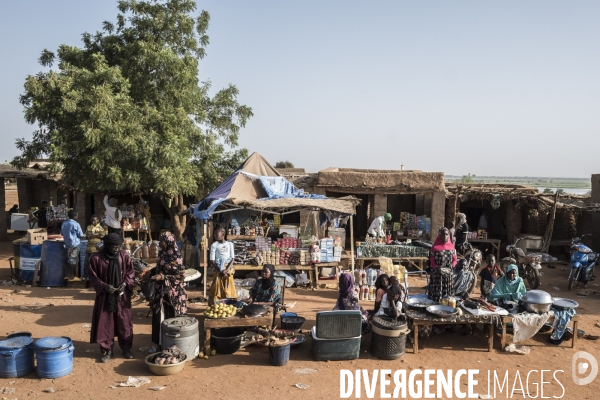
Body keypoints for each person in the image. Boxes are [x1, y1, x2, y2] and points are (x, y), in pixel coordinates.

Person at [88, 233, 135, 362]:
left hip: (122, 296)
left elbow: (131, 273)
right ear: (107, 245)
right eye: (113, 246)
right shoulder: (96, 258)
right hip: (105, 297)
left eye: (118, 246)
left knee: (124, 322)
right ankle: (107, 351)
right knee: (105, 323)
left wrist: (125, 284)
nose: (116, 248)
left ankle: (126, 348)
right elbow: (92, 277)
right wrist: (104, 286)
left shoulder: (124, 256)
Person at [149, 232, 187, 346]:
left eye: (162, 241)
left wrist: (163, 277)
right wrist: (150, 272)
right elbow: (160, 266)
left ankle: (172, 344)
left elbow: (181, 276)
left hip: (173, 294)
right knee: (158, 317)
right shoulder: (163, 253)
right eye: (159, 241)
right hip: (160, 291)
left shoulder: (176, 256)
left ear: (169, 242)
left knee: (171, 318)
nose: (160, 243)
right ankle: (159, 344)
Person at [427, 227, 457, 302]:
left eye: (446, 234)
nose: (444, 236)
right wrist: (436, 267)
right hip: (437, 275)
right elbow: (432, 261)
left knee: (448, 298)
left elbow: (455, 259)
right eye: (443, 234)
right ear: (439, 235)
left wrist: (452, 265)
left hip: (448, 275)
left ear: (449, 235)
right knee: (436, 298)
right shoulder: (434, 247)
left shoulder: (452, 247)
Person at [208, 226, 237, 304]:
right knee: (217, 286)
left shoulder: (230, 244)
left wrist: (226, 270)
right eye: (214, 234)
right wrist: (220, 270)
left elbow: (232, 259)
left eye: (216, 233)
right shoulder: (214, 245)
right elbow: (212, 260)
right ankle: (215, 304)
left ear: (223, 234)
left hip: (228, 268)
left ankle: (229, 303)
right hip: (218, 268)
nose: (214, 235)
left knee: (229, 286)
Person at [60, 210, 84, 280]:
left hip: (67, 244)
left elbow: (61, 233)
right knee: (73, 260)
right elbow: (81, 235)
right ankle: (71, 276)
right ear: (74, 216)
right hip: (75, 244)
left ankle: (67, 274)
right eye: (77, 215)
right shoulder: (76, 224)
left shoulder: (64, 223)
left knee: (69, 259)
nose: (77, 216)